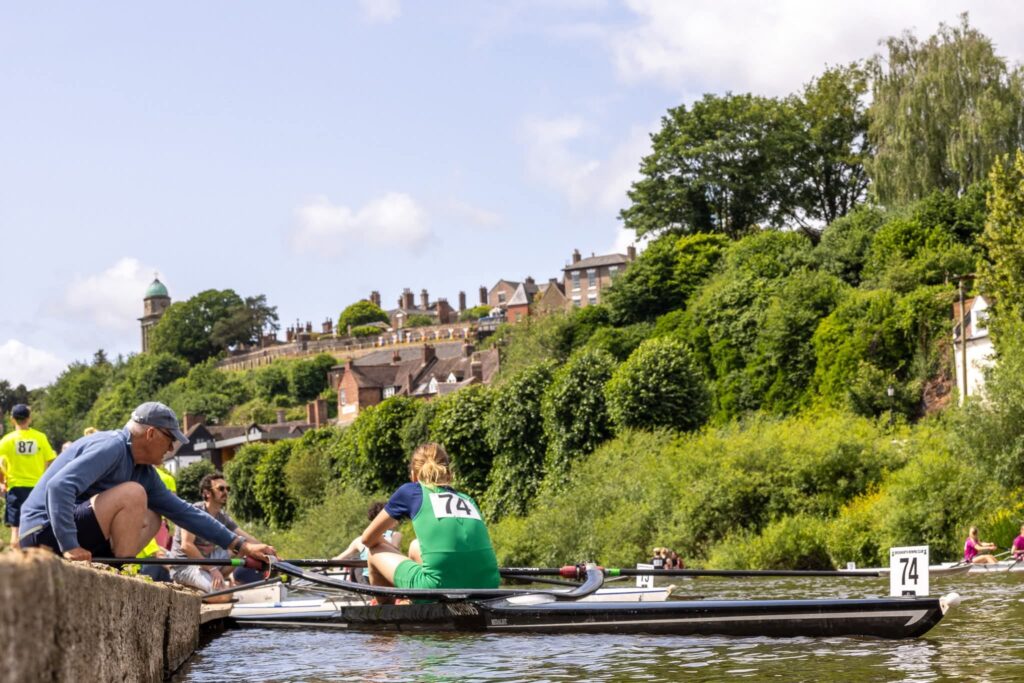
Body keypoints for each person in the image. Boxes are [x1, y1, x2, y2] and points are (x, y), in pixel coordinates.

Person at [18, 402, 275, 569]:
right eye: (170, 440)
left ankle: (115, 568)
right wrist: (70, 546)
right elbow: (59, 487)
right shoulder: (112, 446)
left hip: (74, 526)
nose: (172, 449)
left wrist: (241, 546)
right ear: (151, 433)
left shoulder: (144, 472)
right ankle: (111, 564)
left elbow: (186, 513)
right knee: (133, 494)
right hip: (42, 530)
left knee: (155, 514)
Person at [361, 443, 499, 593]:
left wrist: (391, 549)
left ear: (414, 474)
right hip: (489, 585)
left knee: (374, 550)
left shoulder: (410, 492)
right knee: (415, 545)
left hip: (436, 587)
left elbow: (367, 539)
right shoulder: (467, 499)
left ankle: (385, 611)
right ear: (449, 473)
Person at [168, 471, 261, 599]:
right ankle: (201, 590)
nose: (225, 492)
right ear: (207, 493)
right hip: (186, 566)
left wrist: (270, 552)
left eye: (227, 488)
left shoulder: (222, 517)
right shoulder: (193, 512)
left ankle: (219, 580)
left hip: (207, 562)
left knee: (242, 543)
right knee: (223, 596)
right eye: (221, 489)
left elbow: (248, 540)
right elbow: (186, 546)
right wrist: (212, 569)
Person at [0, 404, 57, 548]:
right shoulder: (40, 437)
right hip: (37, 487)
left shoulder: (7, 440)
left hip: (15, 487)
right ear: (29, 418)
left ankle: (17, 563)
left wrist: (2, 480)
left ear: (12, 419)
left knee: (16, 528)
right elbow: (51, 460)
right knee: (39, 526)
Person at [333, 502, 403, 563]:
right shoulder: (359, 540)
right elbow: (338, 559)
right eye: (393, 517)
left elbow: (396, 553)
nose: (396, 521)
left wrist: (378, 539)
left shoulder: (395, 535)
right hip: (369, 576)